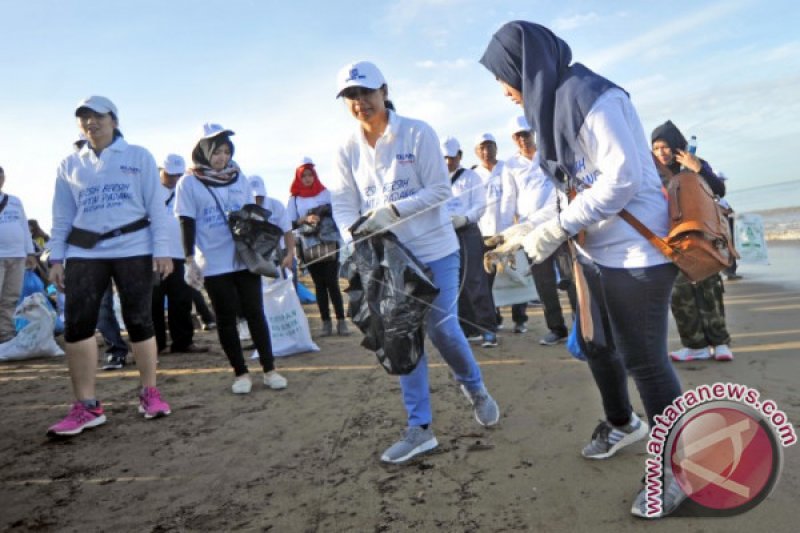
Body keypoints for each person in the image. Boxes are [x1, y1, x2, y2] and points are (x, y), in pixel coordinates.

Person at [481, 23, 683, 517]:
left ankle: (678, 469)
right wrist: (526, 230)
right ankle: (621, 423)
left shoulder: (592, 95)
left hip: (638, 253)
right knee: (596, 345)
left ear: (523, 65)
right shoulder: (548, 108)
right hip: (595, 253)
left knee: (646, 362)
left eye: (503, 76)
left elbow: (621, 179)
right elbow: (571, 189)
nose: (503, 90)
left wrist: (558, 229)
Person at [328, 60, 500, 464]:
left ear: (384, 90)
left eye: (366, 93)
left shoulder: (418, 133)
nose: (360, 103)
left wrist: (392, 211)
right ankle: (419, 427)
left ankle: (474, 386)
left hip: (435, 250)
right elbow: (343, 203)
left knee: (442, 328)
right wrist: (353, 237)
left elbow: (439, 191)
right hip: (386, 260)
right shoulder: (345, 149)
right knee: (401, 336)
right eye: (351, 96)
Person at [47, 96, 172, 437]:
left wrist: (163, 250)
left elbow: (157, 209)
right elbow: (61, 217)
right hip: (85, 251)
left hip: (134, 246)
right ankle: (86, 406)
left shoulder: (138, 156)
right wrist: (56, 258)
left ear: (114, 120)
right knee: (77, 325)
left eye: (98, 116)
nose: (91, 123)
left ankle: (149, 392)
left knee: (139, 319)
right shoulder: (70, 164)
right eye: (84, 118)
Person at [175, 126, 288, 394]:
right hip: (214, 261)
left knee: (255, 312)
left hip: (244, 257)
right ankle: (241, 373)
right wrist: (189, 259)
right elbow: (186, 222)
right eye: (216, 152)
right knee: (226, 318)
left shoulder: (239, 178)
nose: (222, 158)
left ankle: (270, 369)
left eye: (226, 152)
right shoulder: (189, 183)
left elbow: (252, 212)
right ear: (202, 151)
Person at [651, 120, 734, 362]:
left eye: (665, 146)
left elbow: (719, 189)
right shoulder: (651, 173)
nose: (661, 152)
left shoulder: (694, 163)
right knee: (680, 293)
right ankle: (694, 344)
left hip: (702, 235)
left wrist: (697, 168)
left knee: (710, 289)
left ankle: (720, 343)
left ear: (676, 145)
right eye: (656, 148)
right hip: (671, 240)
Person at [501, 116, 576, 345]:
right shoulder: (510, 165)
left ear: (533, 133)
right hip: (530, 232)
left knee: (570, 276)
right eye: (518, 136)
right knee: (543, 282)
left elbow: (564, 186)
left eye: (526, 133)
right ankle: (556, 328)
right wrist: (507, 235)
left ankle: (582, 324)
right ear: (513, 139)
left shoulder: (549, 153)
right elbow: (508, 199)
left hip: (559, 225)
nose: (523, 139)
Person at [440, 136, 497, 347]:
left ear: (460, 156)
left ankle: (488, 328)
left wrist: (465, 218)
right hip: (445, 233)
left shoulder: (471, 177)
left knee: (475, 279)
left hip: (468, 231)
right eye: (444, 158)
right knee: (454, 283)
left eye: (452, 157)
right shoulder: (436, 179)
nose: (448, 162)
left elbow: (480, 204)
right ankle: (468, 327)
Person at [152, 154, 208, 355]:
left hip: (181, 254)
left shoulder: (185, 190)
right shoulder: (149, 190)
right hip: (155, 255)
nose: (175, 179)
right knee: (154, 301)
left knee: (181, 300)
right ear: (162, 171)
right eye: (170, 175)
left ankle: (183, 342)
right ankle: (156, 345)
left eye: (178, 175)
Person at [287, 160, 349, 337]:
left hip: (330, 243)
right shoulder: (295, 199)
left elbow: (338, 213)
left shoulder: (326, 193)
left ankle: (341, 322)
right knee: (319, 285)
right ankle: (326, 323)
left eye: (310, 175)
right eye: (303, 176)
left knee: (332, 282)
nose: (307, 179)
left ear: (315, 175)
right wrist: (305, 219)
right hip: (308, 246)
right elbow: (289, 223)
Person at [473, 133, 511, 330]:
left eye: (490, 147)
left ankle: (520, 318)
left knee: (512, 274)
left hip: (507, 231)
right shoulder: (474, 174)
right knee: (487, 278)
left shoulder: (507, 168)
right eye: (482, 148)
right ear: (476, 152)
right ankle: (493, 317)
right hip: (484, 233)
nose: (486, 152)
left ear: (496, 148)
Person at [0, 166, 37, 343]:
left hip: (17, 255)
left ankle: (6, 336)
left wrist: (30, 252)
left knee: (11, 297)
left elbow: (23, 225)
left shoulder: (14, 201)